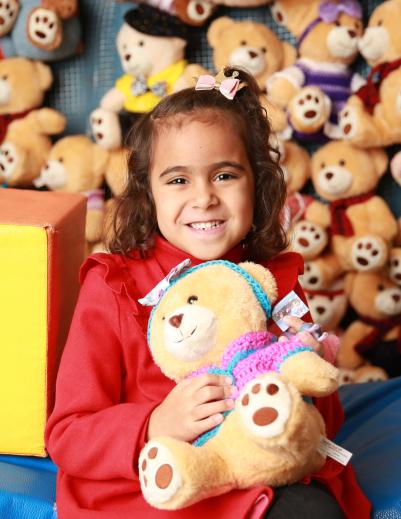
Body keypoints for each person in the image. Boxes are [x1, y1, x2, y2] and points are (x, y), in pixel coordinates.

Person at [45, 67, 371, 519]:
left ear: (257, 182)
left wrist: (304, 375)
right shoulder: (113, 285)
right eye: (178, 180)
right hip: (154, 488)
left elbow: (324, 421)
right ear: (148, 193)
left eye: (224, 175)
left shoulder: (274, 279)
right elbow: (68, 434)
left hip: (259, 477)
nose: (204, 198)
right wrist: (154, 424)